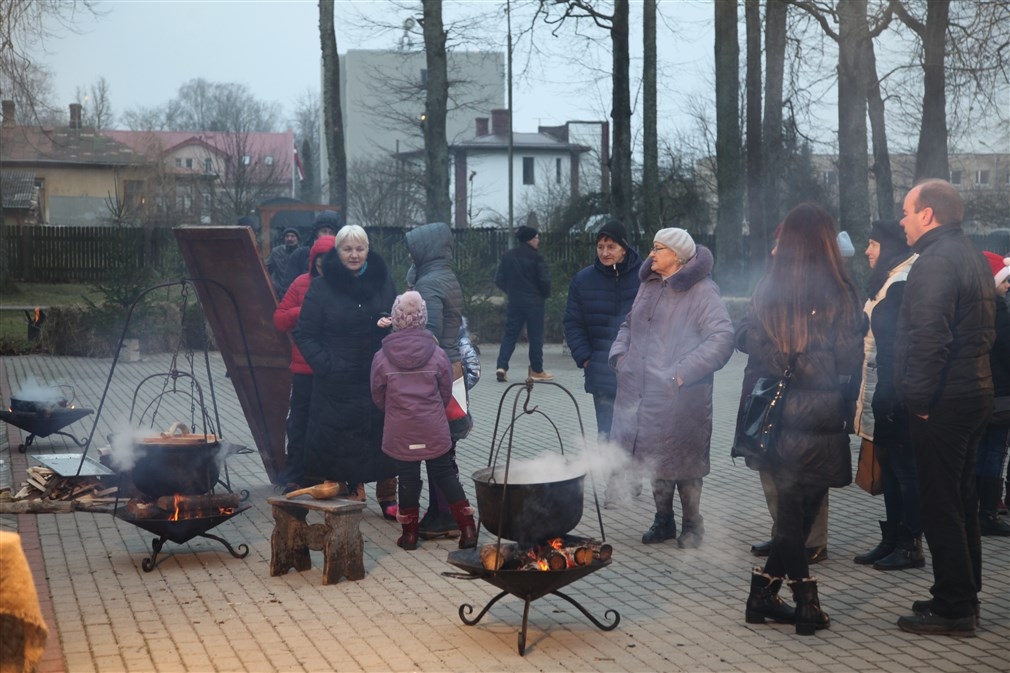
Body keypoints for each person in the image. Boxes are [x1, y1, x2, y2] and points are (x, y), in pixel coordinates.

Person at [735, 203, 862, 637]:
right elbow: (848, 357)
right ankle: (806, 603)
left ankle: (762, 597)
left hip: (778, 413)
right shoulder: (841, 291)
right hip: (822, 415)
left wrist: (786, 357)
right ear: (826, 240)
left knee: (794, 514)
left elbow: (754, 345)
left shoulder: (767, 288)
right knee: (798, 512)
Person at [894, 179, 995, 638]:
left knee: (941, 505)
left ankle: (954, 607)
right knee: (963, 503)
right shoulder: (970, 255)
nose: (903, 221)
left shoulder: (935, 262)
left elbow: (929, 338)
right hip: (973, 394)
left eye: (907, 212)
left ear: (928, 215)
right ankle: (960, 595)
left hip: (943, 401)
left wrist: (919, 400)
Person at [609, 227, 734, 549]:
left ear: (678, 256)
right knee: (655, 459)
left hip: (682, 396)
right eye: (653, 247)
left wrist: (680, 373)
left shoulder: (702, 291)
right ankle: (663, 520)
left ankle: (693, 524)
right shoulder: (649, 285)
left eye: (659, 248)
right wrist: (620, 356)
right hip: (641, 391)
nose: (652, 254)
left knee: (684, 462)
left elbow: (721, 338)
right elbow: (628, 325)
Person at [293, 224, 398, 516]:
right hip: (337, 378)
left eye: (360, 248)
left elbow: (398, 317)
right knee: (341, 439)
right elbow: (304, 333)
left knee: (382, 435)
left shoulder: (383, 281)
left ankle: (388, 496)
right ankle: (350, 490)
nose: (354, 255)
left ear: (368, 250)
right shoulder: (322, 287)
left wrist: (390, 328)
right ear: (337, 252)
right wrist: (326, 365)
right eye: (347, 249)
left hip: (377, 373)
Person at [370, 291, 478, 551]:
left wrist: (396, 412)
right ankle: (468, 529)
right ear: (423, 320)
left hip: (401, 429)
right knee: (445, 474)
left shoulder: (381, 357)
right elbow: (445, 391)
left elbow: (378, 395)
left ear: (395, 319)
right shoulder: (438, 353)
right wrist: (432, 411)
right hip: (433, 427)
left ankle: (409, 535)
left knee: (407, 478)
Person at [851, 220, 924, 570]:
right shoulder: (890, 279)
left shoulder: (902, 283)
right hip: (884, 390)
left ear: (889, 248)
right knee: (892, 470)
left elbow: (899, 348)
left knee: (904, 471)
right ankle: (892, 537)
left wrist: (892, 395)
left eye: (873, 244)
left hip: (896, 393)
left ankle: (910, 545)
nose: (867, 251)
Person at [404, 221, 466, 540]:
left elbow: (430, 336)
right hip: (452, 371)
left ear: (425, 249)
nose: (409, 256)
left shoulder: (429, 283)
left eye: (413, 249)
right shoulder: (443, 276)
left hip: (437, 375)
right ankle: (444, 512)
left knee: (438, 449)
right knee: (445, 447)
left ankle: (446, 515)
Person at [563, 219, 643, 440]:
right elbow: (572, 323)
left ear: (624, 248)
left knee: (638, 437)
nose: (605, 252)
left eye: (611, 247)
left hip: (639, 373)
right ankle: (608, 475)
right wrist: (586, 358)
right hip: (601, 372)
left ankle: (635, 475)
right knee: (607, 436)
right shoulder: (583, 280)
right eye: (600, 247)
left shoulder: (645, 278)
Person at [272, 234, 335, 494]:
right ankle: (294, 474)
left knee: (328, 425)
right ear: (313, 261)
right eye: (319, 261)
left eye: (329, 260)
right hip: (303, 369)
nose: (323, 265)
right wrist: (303, 310)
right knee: (298, 423)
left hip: (332, 369)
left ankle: (326, 476)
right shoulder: (300, 284)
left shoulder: (345, 285)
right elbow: (280, 319)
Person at [975, 251, 1010, 536]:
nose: (1009, 285)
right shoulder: (1000, 315)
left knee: (978, 450)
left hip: (978, 393)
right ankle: (988, 512)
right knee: (994, 453)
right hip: (1001, 396)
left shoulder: (971, 311)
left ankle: (975, 508)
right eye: (1005, 280)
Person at [494, 225, 553, 382]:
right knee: (535, 337)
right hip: (535, 303)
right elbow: (544, 281)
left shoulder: (508, 256)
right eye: (536, 237)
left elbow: (498, 279)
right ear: (529, 240)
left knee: (510, 335)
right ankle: (536, 370)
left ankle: (501, 366)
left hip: (515, 302)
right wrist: (544, 295)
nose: (538, 240)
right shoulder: (537, 258)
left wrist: (511, 291)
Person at [283, 210, 343, 293]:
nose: (327, 235)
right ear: (316, 232)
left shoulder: (342, 257)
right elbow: (287, 289)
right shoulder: (300, 255)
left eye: (331, 232)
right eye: (324, 231)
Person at [265, 227, 301, 298]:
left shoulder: (302, 253)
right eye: (287, 236)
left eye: (292, 236)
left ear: (298, 239)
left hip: (296, 292)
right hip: (279, 292)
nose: (289, 238)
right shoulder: (276, 252)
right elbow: (268, 271)